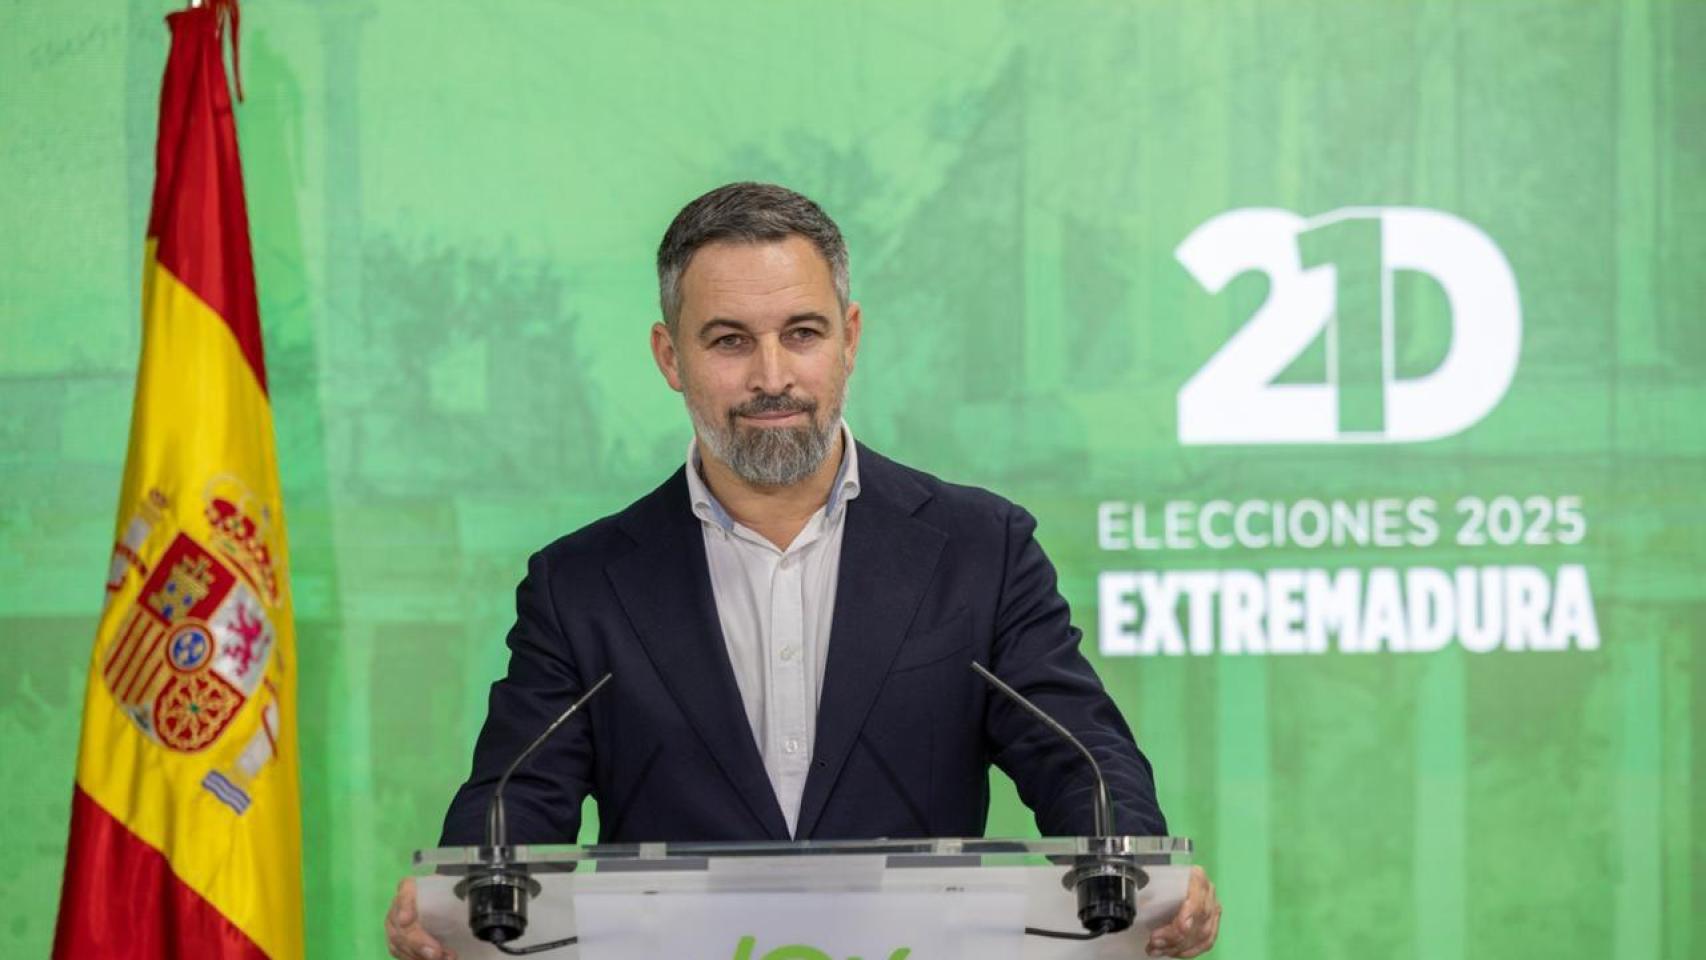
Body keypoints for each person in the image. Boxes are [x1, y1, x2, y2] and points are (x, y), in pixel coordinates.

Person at [386, 183, 1221, 959]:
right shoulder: (582, 585)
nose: (772, 376)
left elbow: (1084, 762)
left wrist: (1144, 871)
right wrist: (456, 899)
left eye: (802, 333)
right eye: (729, 341)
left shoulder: (981, 550)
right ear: (670, 357)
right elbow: (516, 802)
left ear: (849, 338)